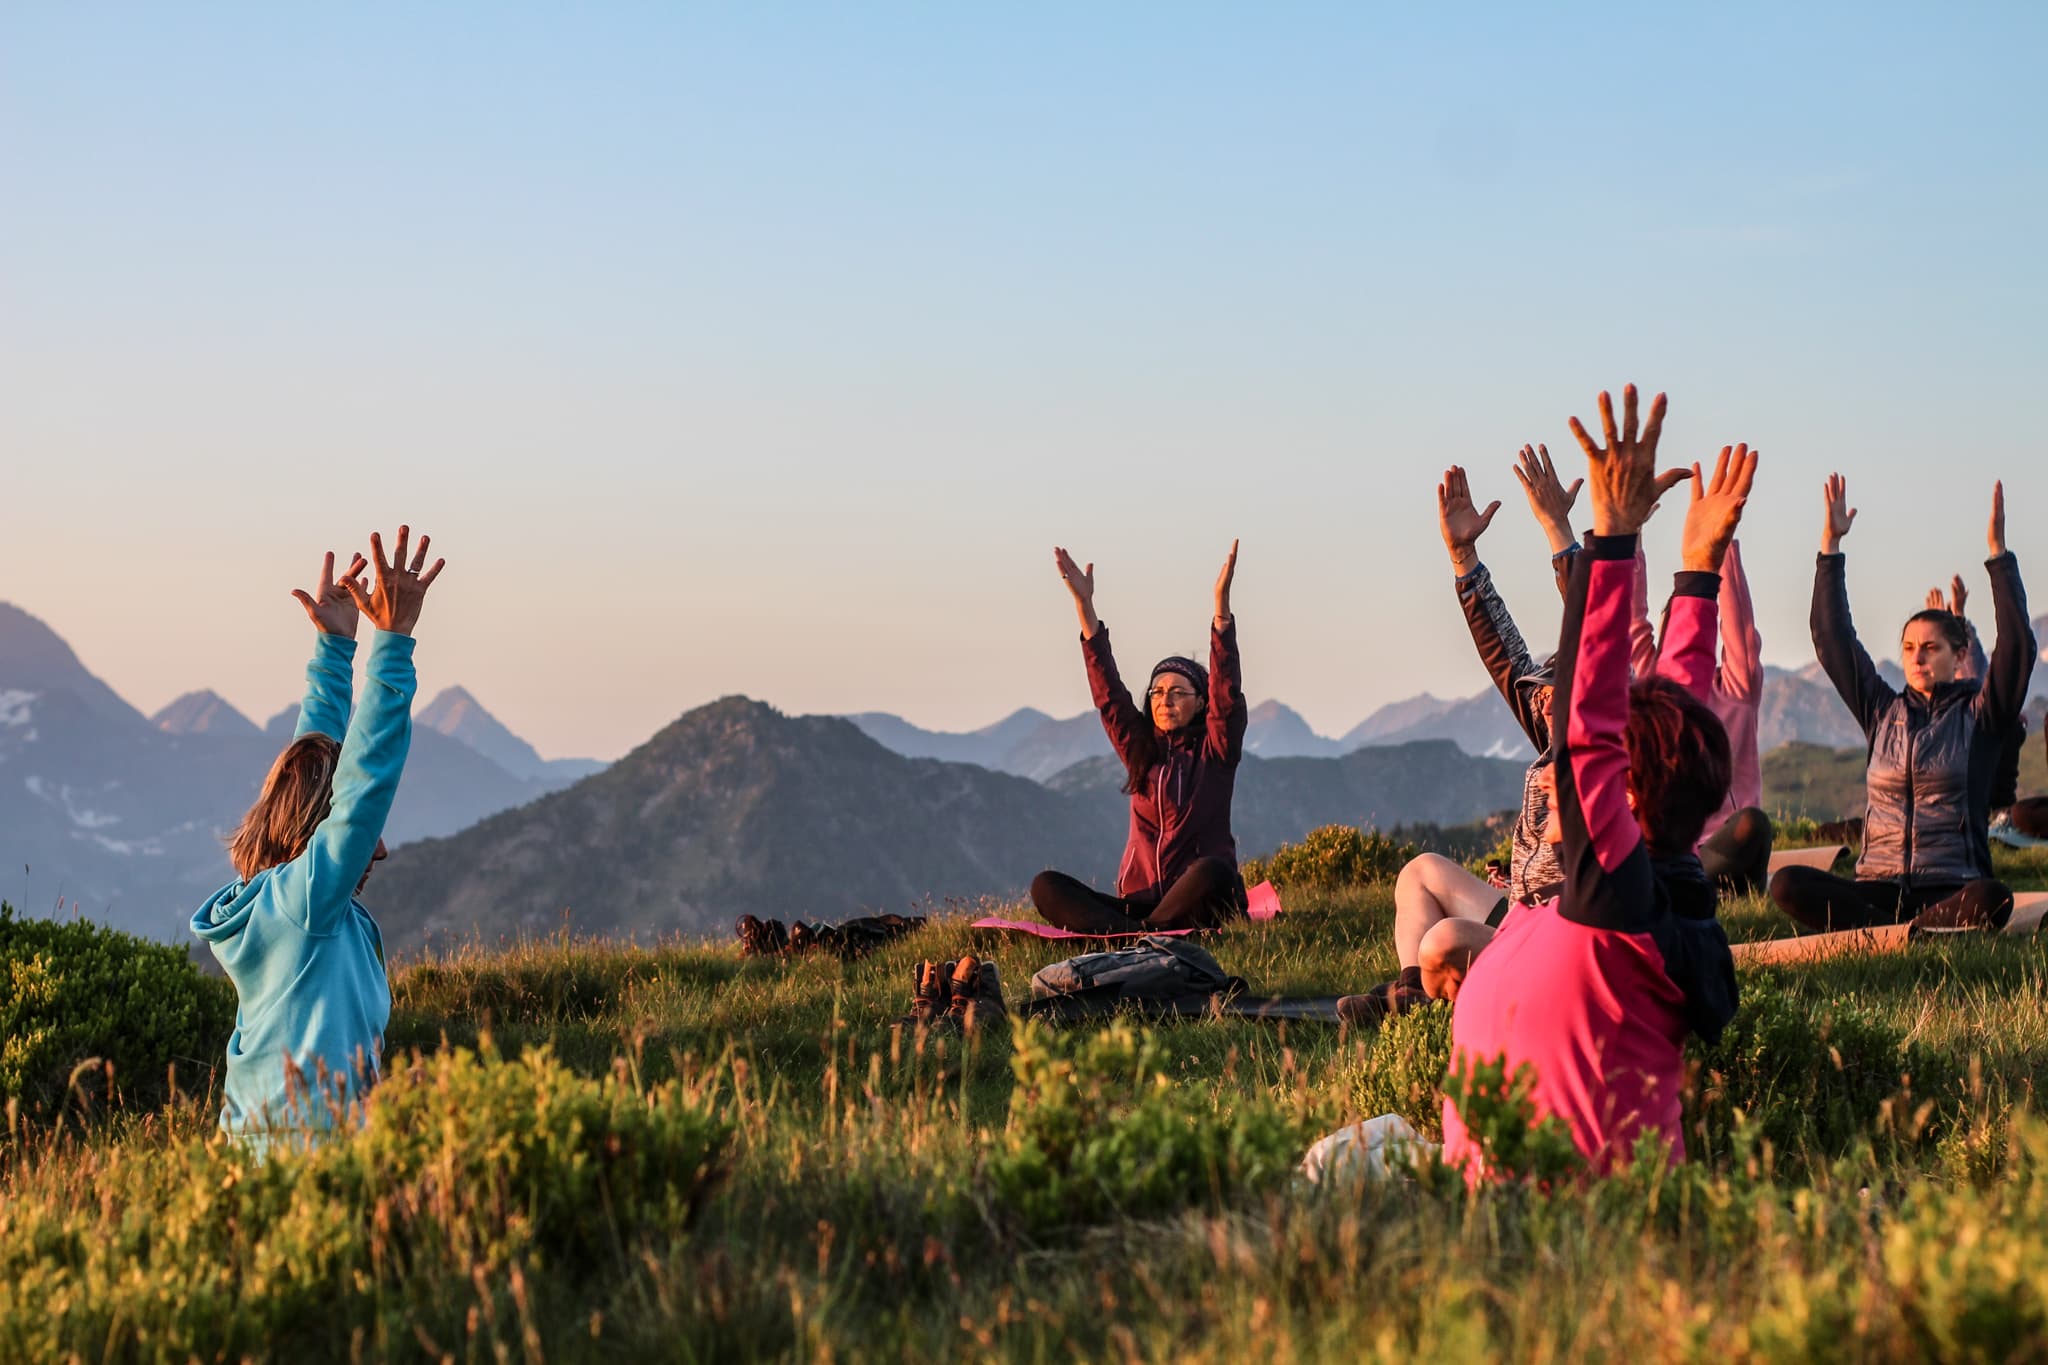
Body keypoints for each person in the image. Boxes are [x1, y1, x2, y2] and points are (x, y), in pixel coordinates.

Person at [1443, 385, 1749, 1178]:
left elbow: (1589, 727)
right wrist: (1697, 574)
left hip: (1564, 1240)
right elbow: (1661, 723)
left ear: (1627, 798)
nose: (1562, 788)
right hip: (1525, 1227)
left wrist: (1610, 542)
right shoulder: (1642, 896)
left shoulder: (1613, 905)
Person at [1344, 442, 1730, 1020]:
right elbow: (1504, 655)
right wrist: (1463, 562)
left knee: (1443, 942)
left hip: (1577, 928)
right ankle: (1416, 996)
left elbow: (1595, 637)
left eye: (1558, 690)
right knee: (1420, 873)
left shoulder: (1613, 746)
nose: (1543, 699)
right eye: (1540, 693)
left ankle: (1418, 999)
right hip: (1524, 914)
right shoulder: (1552, 731)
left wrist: (1560, 532)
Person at [191, 530, 445, 1156]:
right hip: (305, 1173)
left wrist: (335, 648)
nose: (378, 851)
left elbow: (316, 770)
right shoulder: (305, 908)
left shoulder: (279, 904)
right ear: (320, 835)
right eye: (361, 840)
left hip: (261, 1166)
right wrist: (392, 644)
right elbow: (358, 787)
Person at [1765, 478, 2035, 934]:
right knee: (1787, 884)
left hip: (1953, 884)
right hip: (1878, 883)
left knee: (1993, 897)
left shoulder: (1982, 716)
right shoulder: (1882, 712)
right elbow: (1833, 641)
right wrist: (1830, 548)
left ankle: (1897, 929)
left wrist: (1999, 557)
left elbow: (2018, 648)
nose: (1917, 657)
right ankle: (1905, 930)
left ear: (1958, 653)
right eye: (1909, 647)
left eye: (1931, 647)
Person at [1027, 540, 1248, 932]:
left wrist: (1221, 610)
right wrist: (1085, 608)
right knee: (1045, 886)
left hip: (1201, 899)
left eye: (1178, 691)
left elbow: (1227, 697)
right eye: (1158, 692)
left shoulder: (1216, 751)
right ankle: (1138, 935)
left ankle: (1129, 937)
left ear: (1200, 703)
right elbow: (1108, 695)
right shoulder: (1141, 750)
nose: (1165, 699)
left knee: (1214, 872)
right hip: (1141, 904)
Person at [1631, 536, 1773, 893]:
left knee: (1750, 824)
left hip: (1732, 846)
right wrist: (1630, 533)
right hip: (1674, 852)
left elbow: (1740, 631)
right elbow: (1633, 623)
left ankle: (1704, 887)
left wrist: (1718, 549)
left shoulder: (1737, 691)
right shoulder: (1654, 690)